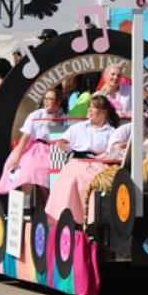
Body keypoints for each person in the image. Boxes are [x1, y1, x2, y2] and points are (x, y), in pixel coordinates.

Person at [45, 95, 120, 225]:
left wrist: (105, 153)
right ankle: (66, 218)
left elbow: (114, 150)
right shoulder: (79, 127)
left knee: (94, 182)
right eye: (89, 107)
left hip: (99, 164)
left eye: (93, 108)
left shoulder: (112, 132)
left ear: (104, 112)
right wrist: (66, 145)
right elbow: (61, 142)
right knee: (70, 179)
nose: (89, 111)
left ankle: (90, 220)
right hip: (77, 162)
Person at [0, 88, 64, 206]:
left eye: (50, 99)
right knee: (28, 170)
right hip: (35, 148)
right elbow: (24, 138)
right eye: (45, 98)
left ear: (58, 102)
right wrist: (17, 157)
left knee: (57, 174)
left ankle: (51, 205)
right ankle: (26, 205)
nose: (46, 101)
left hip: (55, 150)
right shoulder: (36, 114)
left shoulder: (63, 117)